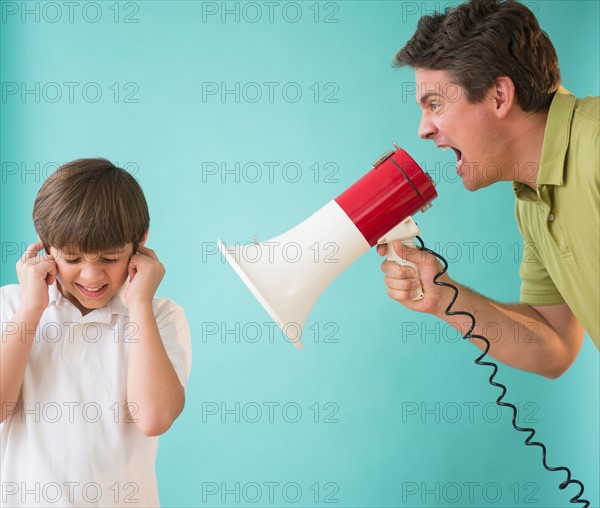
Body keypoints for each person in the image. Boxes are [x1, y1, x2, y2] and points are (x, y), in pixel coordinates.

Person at [379, 0, 599, 378]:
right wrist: (445, 296)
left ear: (499, 95)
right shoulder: (532, 199)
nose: (424, 129)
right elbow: (555, 345)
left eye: (435, 104)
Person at [0, 159, 192, 507]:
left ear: (140, 244)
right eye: (72, 259)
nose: (91, 276)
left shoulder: (159, 315)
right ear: (44, 247)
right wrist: (31, 309)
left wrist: (139, 306)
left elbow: (153, 417)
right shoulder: (11, 306)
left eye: (109, 258)